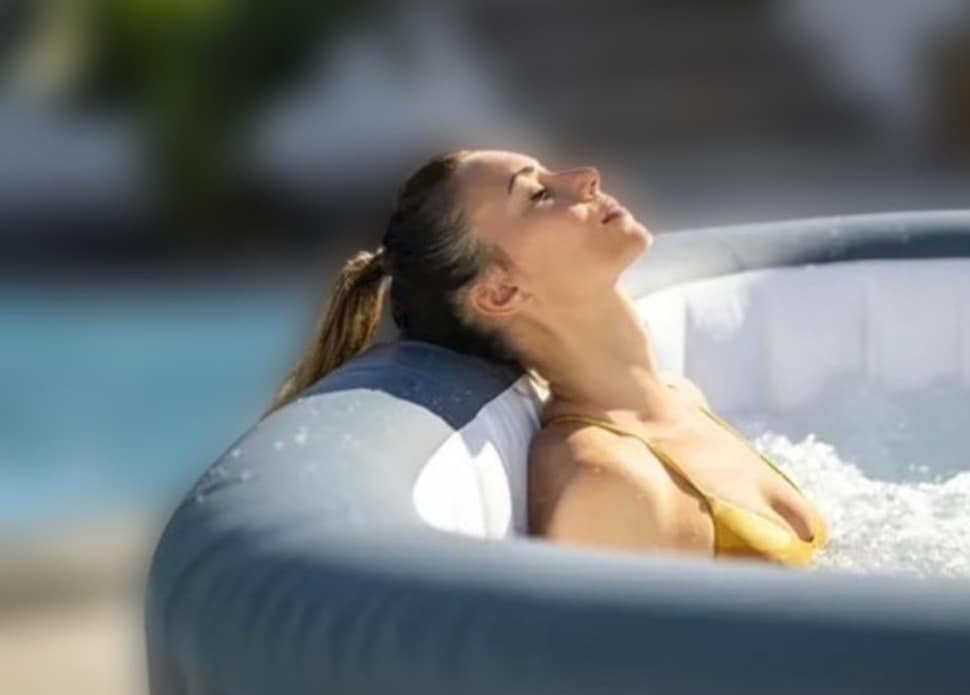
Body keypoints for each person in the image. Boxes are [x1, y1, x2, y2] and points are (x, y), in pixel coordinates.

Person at [270, 149, 828, 566]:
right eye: (536, 195)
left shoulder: (681, 397)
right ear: (500, 293)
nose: (585, 178)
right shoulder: (605, 485)